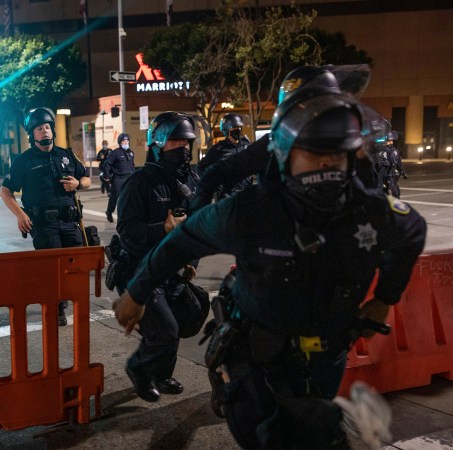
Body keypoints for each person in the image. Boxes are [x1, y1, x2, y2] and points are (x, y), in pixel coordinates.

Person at [114, 92, 426, 448]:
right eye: (312, 152)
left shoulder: (372, 210)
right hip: (261, 348)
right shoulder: (251, 211)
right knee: (265, 434)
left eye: (334, 153)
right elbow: (183, 239)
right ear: (286, 155)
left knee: (314, 422)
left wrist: (385, 297)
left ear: (352, 155)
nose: (324, 164)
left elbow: (412, 232)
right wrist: (137, 292)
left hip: (329, 345)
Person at [192, 65, 377, 211]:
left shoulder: (346, 143)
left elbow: (371, 195)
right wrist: (199, 219)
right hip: (283, 237)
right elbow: (215, 175)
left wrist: (361, 157)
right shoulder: (274, 143)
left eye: (326, 106)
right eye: (309, 108)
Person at [113, 112, 200, 402]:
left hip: (173, 269)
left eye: (187, 141)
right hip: (140, 270)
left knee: (180, 322)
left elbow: (196, 226)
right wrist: (161, 228)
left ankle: (162, 375)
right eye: (175, 141)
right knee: (165, 331)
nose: (183, 148)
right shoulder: (141, 182)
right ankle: (139, 368)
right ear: (158, 143)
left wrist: (190, 261)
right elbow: (127, 231)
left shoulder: (192, 181)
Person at [0, 107, 91, 326]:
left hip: (70, 222)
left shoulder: (65, 155)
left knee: (76, 266)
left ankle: (69, 299)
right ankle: (56, 307)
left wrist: (79, 184)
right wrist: (20, 214)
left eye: (48, 127)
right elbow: (5, 190)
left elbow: (86, 178)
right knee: (51, 270)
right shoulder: (24, 161)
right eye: (40, 129)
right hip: (45, 225)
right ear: (32, 134)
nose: (45, 131)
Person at [196, 113, 252, 203]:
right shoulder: (218, 149)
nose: (238, 129)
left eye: (239, 127)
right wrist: (214, 183)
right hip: (227, 197)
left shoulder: (247, 145)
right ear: (227, 129)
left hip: (246, 195)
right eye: (235, 127)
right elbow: (200, 168)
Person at [103, 132, 135, 223]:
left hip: (129, 178)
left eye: (127, 141)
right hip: (118, 179)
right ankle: (109, 212)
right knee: (114, 197)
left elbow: (132, 165)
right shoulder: (116, 153)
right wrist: (107, 177)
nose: (126, 143)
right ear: (120, 142)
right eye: (124, 141)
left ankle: (128, 216)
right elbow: (107, 165)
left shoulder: (131, 153)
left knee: (130, 198)